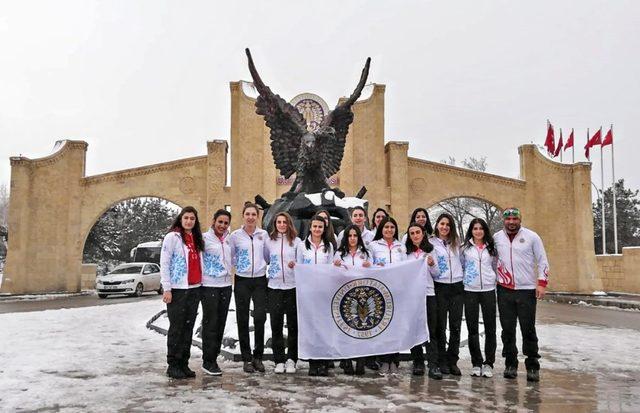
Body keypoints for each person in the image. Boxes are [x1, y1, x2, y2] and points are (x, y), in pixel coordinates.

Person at [493, 208, 549, 382]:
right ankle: (510, 364)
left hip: (526, 290)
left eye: (514, 218)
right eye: (508, 218)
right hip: (504, 289)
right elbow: (492, 261)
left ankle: (532, 366)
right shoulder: (496, 238)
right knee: (507, 330)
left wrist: (541, 283)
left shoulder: (532, 237)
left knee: (528, 329)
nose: (511, 222)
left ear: (520, 219)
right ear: (504, 220)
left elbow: (542, 261)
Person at [160, 206, 204, 379]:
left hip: (194, 289)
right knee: (177, 328)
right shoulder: (172, 237)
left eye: (192, 218)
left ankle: (183, 363)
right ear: (180, 219)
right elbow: (165, 263)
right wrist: (167, 288)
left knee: (188, 328)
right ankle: (173, 364)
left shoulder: (196, 238)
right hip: (178, 290)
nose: (189, 221)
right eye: (186, 218)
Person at [227, 202, 269, 374]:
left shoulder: (264, 234)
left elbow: (268, 256)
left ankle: (258, 357)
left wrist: (261, 266)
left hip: (259, 280)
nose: (250, 217)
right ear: (243, 216)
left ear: (257, 217)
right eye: (248, 214)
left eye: (253, 214)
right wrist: (241, 266)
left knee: (260, 317)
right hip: (242, 280)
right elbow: (230, 257)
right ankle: (246, 358)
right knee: (242, 318)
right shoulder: (235, 236)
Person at [297, 214, 335, 376]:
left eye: (320, 226)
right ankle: (313, 361)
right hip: (308, 292)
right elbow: (299, 266)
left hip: (323, 292)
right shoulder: (302, 246)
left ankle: (324, 361)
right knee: (311, 327)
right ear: (310, 228)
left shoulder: (329, 247)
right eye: (314, 226)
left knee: (324, 327)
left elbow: (331, 268)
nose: (317, 229)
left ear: (324, 228)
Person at [460, 218, 498, 379]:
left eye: (481, 228)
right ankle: (476, 363)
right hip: (470, 290)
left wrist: (493, 279)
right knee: (472, 328)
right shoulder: (465, 249)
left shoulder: (492, 248)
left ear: (485, 230)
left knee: (491, 329)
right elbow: (462, 266)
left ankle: (489, 363)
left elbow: (496, 265)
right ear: (471, 230)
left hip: (488, 290)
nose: (478, 231)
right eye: (475, 228)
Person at [333, 224, 373, 376]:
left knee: (362, 328)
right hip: (345, 296)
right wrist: (334, 266)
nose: (352, 238)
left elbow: (376, 271)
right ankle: (347, 360)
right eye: (349, 236)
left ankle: (361, 360)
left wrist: (371, 265)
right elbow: (333, 275)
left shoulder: (366, 253)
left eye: (355, 236)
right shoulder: (339, 254)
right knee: (346, 328)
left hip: (363, 295)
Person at [264, 212, 301, 374]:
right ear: (275, 224)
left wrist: (295, 263)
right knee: (276, 325)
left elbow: (301, 261)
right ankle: (279, 360)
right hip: (274, 287)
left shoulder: (297, 242)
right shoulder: (269, 241)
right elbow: (266, 259)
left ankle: (292, 359)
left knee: (293, 325)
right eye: (278, 222)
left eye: (284, 222)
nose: (281, 225)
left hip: (292, 287)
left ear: (289, 223)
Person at [404, 222, 442, 379]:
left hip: (428, 293)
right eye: (412, 233)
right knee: (414, 328)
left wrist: (432, 265)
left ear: (423, 233)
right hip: (412, 296)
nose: (415, 236)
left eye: (417, 232)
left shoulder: (431, 251)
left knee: (431, 329)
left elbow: (437, 273)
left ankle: (433, 364)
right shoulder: (406, 253)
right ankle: (418, 362)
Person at [369, 216, 406, 375]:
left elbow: (406, 266)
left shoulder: (401, 246)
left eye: (392, 227)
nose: (389, 230)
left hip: (397, 290)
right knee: (383, 326)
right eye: (386, 227)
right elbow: (368, 265)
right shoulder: (373, 246)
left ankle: (394, 360)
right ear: (381, 229)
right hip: (380, 291)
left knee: (395, 327)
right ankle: (384, 360)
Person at [429, 213, 464, 376]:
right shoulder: (431, 243)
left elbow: (463, 263)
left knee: (455, 326)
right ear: (437, 225)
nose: (445, 227)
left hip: (457, 287)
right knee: (440, 326)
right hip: (440, 286)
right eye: (442, 224)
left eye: (448, 224)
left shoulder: (457, 244)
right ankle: (441, 360)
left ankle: (453, 360)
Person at [200, 209, 233, 376]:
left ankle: (214, 357)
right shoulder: (204, 239)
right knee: (210, 323)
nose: (222, 225)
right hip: (209, 285)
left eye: (226, 223)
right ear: (214, 221)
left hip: (226, 286)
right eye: (220, 222)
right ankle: (208, 360)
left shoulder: (230, 239)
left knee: (220, 323)